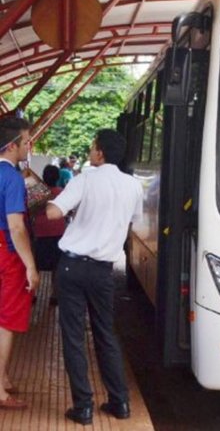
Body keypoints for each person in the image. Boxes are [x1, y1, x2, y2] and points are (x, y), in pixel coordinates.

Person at [46, 129, 143, 425]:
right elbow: (132, 222)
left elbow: (52, 213)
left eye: (92, 148)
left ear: (100, 153)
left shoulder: (85, 178)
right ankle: (120, 402)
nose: (90, 152)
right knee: (105, 334)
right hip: (103, 271)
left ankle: (84, 407)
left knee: (73, 336)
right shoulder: (133, 186)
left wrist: (67, 212)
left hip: (72, 268)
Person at [0, 116, 39, 409]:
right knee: (7, 320)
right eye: (26, 141)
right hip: (7, 253)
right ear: (11, 145)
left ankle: (3, 379)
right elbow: (16, 227)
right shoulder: (11, 177)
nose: (29, 146)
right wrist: (30, 265)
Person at [31, 165, 65, 305]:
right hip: (58, 234)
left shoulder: (38, 192)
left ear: (43, 177)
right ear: (58, 177)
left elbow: (30, 211)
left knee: (35, 265)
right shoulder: (62, 193)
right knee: (56, 266)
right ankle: (55, 296)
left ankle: (32, 294)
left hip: (39, 234)